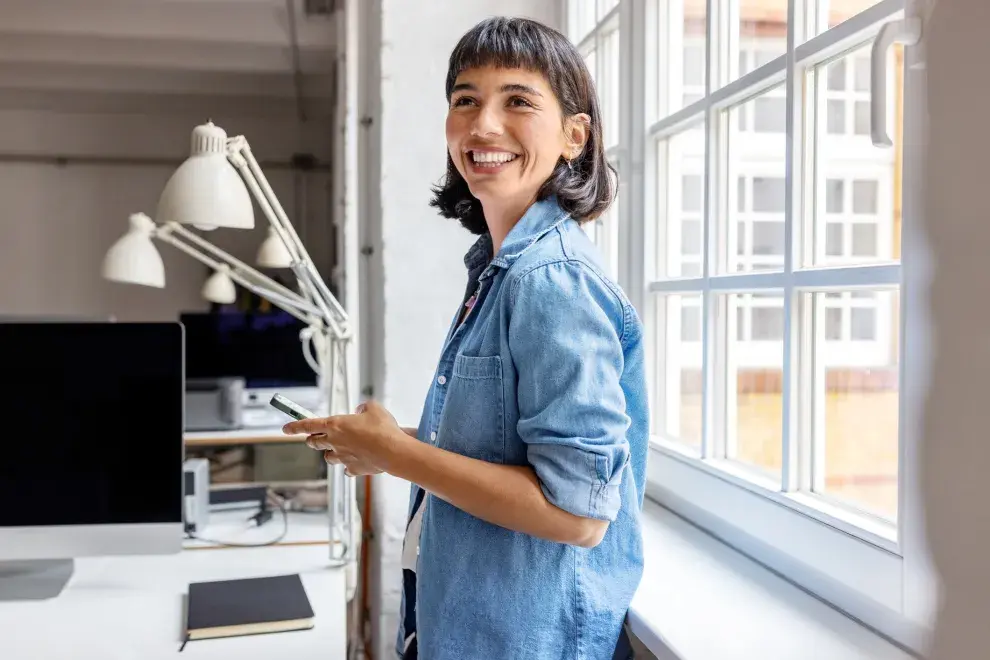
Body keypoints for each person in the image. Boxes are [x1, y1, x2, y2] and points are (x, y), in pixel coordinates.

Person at [283, 16, 648, 660]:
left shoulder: (552, 280)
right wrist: (391, 446)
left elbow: (579, 516)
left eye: (518, 100)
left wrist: (398, 454)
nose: (482, 124)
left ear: (574, 135)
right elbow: (510, 455)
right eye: (465, 99)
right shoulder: (500, 267)